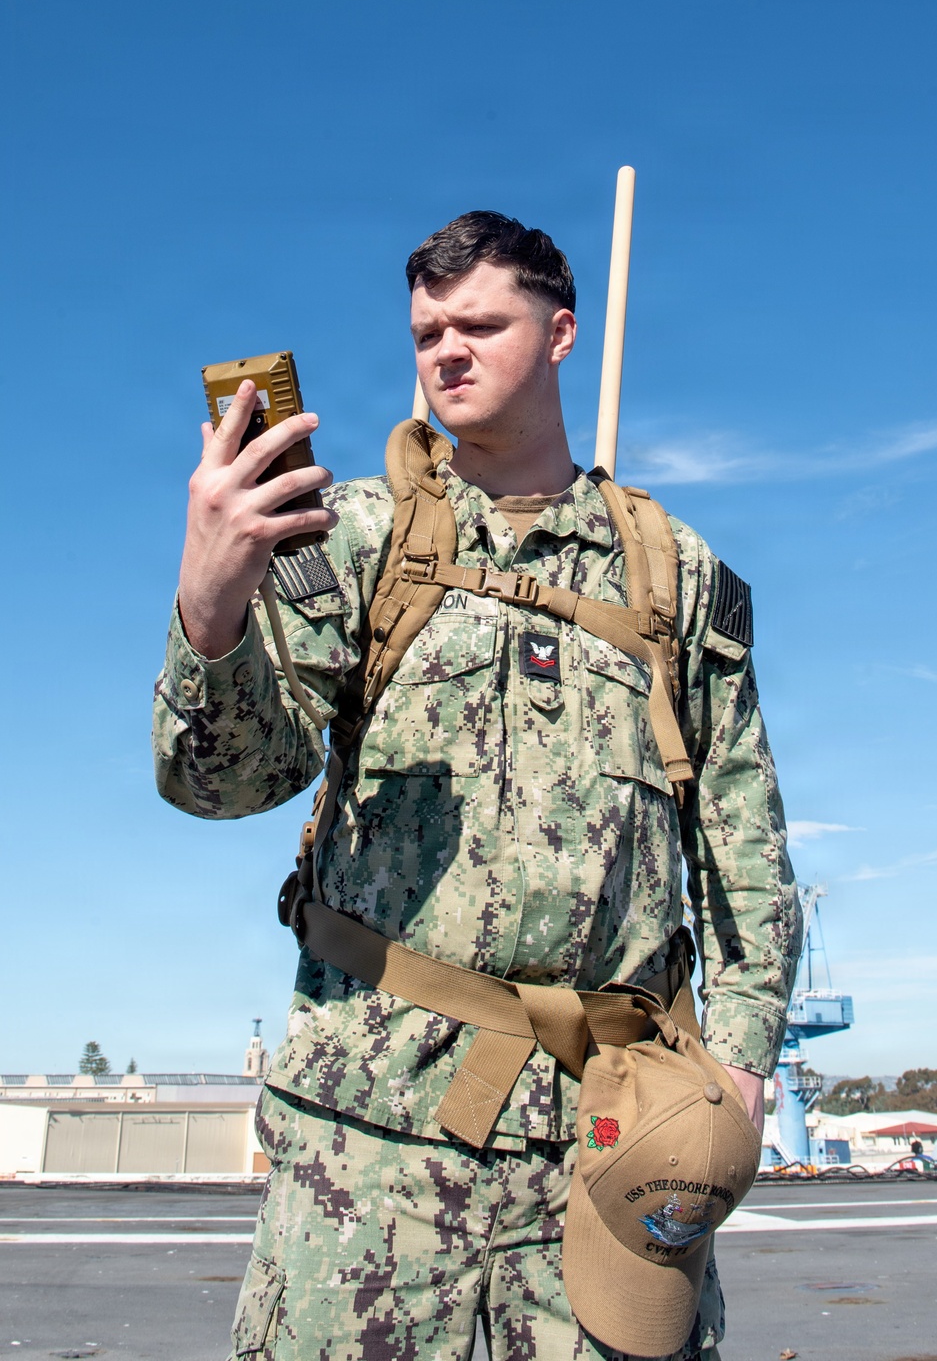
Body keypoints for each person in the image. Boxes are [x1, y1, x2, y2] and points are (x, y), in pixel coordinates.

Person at [153, 211, 801, 1360]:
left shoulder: (676, 574)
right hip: (373, 1151)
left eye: (479, 324)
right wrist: (211, 610)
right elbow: (226, 783)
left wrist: (741, 1064)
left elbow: (742, 837)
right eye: (426, 331)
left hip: (604, 1147)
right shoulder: (352, 538)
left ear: (558, 333)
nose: (446, 349)